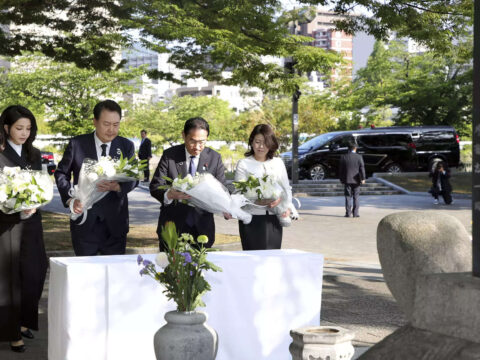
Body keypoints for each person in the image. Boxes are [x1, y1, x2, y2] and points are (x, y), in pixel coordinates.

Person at [55, 100, 137, 256]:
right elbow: (61, 174)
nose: (111, 130)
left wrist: (119, 187)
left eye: (116, 124)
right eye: (106, 124)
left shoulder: (126, 146)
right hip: (85, 221)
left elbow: (135, 176)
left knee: (113, 275)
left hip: (115, 224)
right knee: (86, 275)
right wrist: (70, 199)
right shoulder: (77, 144)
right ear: (95, 121)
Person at [0, 105, 48, 353]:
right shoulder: (0, 153)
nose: (24, 133)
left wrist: (36, 202)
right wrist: (13, 208)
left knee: (36, 273)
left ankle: (23, 321)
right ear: (6, 127)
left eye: (28, 128)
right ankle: (12, 331)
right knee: (11, 280)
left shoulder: (34, 154)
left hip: (32, 224)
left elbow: (40, 185)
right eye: (19, 128)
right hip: (7, 226)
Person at [150, 117, 229, 250]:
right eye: (192, 141)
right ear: (184, 136)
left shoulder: (214, 158)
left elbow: (224, 187)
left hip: (202, 228)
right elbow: (155, 186)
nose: (197, 147)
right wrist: (169, 195)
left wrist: (227, 206)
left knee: (199, 270)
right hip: (172, 227)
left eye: (202, 142)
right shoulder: (170, 156)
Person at [234, 124, 297, 250]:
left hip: (274, 218)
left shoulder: (278, 162)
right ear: (251, 142)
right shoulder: (244, 164)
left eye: (265, 142)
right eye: (257, 142)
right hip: (251, 218)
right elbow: (239, 193)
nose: (261, 146)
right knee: (252, 259)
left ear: (271, 144)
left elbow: (286, 188)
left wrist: (283, 203)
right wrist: (257, 201)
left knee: (272, 260)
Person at [339, 141, 366, 218]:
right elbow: (362, 169)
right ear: (355, 148)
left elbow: (341, 169)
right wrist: (363, 178)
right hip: (357, 180)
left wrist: (341, 179)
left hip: (347, 179)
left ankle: (348, 213)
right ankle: (355, 213)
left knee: (348, 196)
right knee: (356, 197)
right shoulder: (359, 157)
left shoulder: (344, 156)